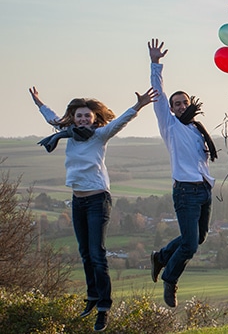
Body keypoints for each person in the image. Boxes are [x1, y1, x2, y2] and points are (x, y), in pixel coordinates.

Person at [31, 86, 157, 331]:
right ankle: (92, 297)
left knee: (97, 254)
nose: (82, 119)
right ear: (73, 118)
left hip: (98, 199)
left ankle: (104, 307)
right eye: (78, 115)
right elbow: (52, 118)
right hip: (78, 200)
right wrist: (39, 103)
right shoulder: (67, 133)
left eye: (86, 116)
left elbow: (120, 122)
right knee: (85, 253)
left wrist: (138, 106)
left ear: (94, 118)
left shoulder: (101, 135)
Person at [146, 38, 218, 307]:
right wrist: (155, 65)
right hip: (186, 191)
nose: (179, 106)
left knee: (199, 237)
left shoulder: (198, 130)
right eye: (175, 103)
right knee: (189, 245)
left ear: (189, 104)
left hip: (204, 190)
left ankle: (162, 256)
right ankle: (170, 279)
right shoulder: (170, 126)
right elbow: (160, 96)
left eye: (183, 102)